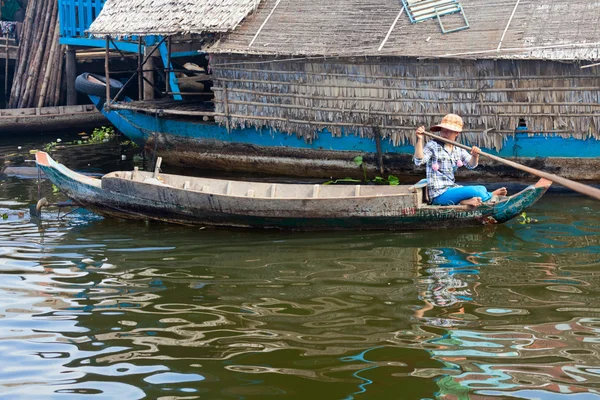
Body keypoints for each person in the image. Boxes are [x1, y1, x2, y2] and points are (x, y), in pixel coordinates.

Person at [413, 114, 507, 207]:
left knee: (481, 187)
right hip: (438, 194)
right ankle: (491, 195)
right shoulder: (433, 145)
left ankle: (465, 201)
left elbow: (471, 165)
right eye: (443, 130)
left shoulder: (458, 149)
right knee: (476, 191)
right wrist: (420, 140)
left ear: (457, 133)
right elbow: (418, 161)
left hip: (451, 188)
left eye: (449, 131)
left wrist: (475, 156)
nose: (445, 133)